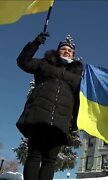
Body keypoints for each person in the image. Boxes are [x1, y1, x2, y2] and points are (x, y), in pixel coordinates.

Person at [16, 32, 84, 180]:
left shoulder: (77, 77)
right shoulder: (44, 63)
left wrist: (75, 122)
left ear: (73, 56)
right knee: (34, 155)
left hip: (61, 121)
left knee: (50, 160)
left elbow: (78, 101)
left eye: (70, 50)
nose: (66, 51)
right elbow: (23, 62)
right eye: (63, 49)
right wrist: (35, 44)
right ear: (58, 51)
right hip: (39, 114)